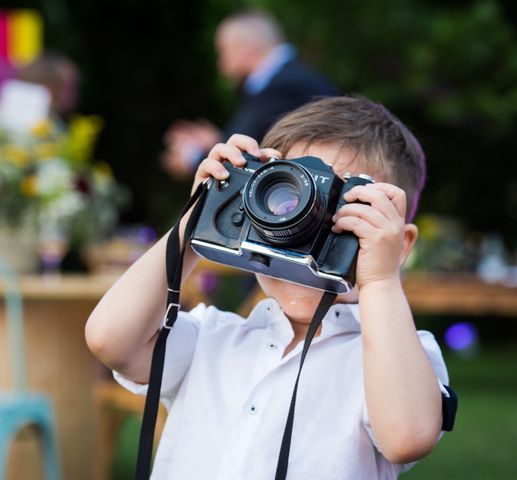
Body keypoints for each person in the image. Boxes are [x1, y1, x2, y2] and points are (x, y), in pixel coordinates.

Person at [86, 96, 453, 479]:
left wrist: (379, 279)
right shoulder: (212, 336)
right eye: (289, 200)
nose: (305, 233)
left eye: (344, 211)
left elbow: (406, 437)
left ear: (400, 244)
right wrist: (198, 220)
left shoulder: (398, 356)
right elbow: (109, 340)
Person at [161, 9, 339, 180]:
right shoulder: (290, 77)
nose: (220, 63)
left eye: (223, 51)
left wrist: (192, 156)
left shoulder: (280, 87)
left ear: (246, 48)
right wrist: (217, 141)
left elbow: (242, 160)